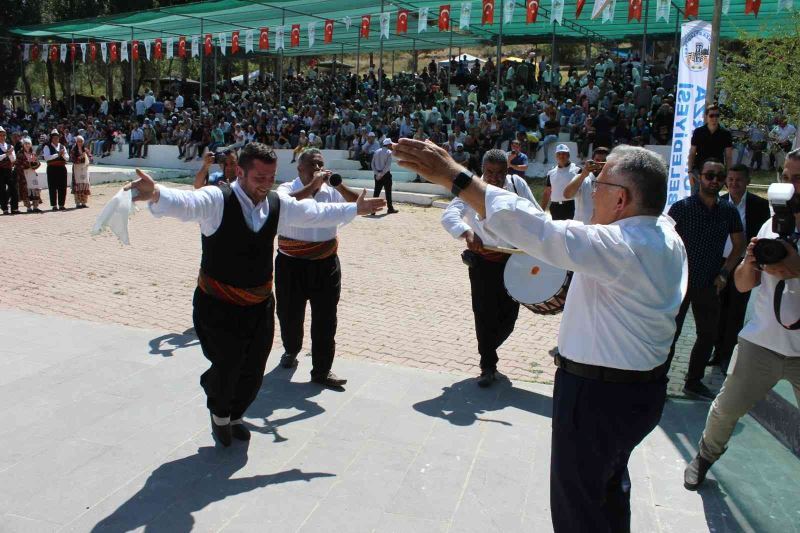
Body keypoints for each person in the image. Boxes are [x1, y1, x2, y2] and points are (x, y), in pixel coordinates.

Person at [393, 139, 686, 533]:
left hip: (598, 398)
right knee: (607, 490)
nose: (592, 190)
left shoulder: (624, 246)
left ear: (621, 199)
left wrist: (453, 175)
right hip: (634, 392)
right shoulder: (665, 234)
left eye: (599, 184)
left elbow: (540, 231)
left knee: (577, 507)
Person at [125, 143, 386, 447]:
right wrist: (156, 193)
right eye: (258, 177)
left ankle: (235, 415)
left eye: (271, 177)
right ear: (240, 172)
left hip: (260, 304)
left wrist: (356, 208)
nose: (265, 184)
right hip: (218, 305)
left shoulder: (276, 203)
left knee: (254, 369)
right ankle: (220, 412)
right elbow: (187, 203)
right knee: (229, 364)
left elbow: (312, 213)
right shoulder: (217, 198)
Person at [684, 149, 800, 491]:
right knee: (724, 410)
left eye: (799, 178)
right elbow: (743, 284)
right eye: (787, 177)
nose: (792, 186)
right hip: (761, 343)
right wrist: (750, 262)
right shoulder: (772, 224)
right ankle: (703, 458)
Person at [441, 149, 541, 387]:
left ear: (508, 170)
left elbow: (536, 212)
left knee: (509, 315)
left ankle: (489, 346)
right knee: (484, 313)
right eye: (490, 172)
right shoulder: (472, 188)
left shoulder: (517, 185)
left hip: (514, 262)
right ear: (483, 170)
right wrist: (466, 231)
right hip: (483, 262)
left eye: (500, 173)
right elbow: (449, 215)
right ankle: (488, 364)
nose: (495, 178)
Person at [275, 149, 362, 386]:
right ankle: (291, 350)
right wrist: (313, 186)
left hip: (325, 264)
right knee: (288, 313)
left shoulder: (331, 191)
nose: (317, 168)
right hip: (290, 263)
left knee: (326, 317)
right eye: (312, 164)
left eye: (320, 164)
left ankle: (322, 370)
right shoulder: (285, 189)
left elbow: (359, 204)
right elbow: (285, 206)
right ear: (299, 168)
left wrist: (339, 186)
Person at [667, 159, 745, 399]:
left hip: (710, 283)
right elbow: (665, 241)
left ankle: (694, 381)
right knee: (670, 333)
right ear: (699, 176)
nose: (714, 181)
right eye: (709, 175)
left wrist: (725, 272)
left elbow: (739, 244)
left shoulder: (728, 210)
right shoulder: (682, 207)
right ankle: (658, 378)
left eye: (719, 177)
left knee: (708, 334)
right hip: (679, 283)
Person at [710, 164, 770, 373]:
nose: (734, 184)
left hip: (744, 264)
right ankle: (716, 352)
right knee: (718, 309)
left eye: (739, 180)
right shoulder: (718, 202)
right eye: (731, 179)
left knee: (736, 310)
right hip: (720, 262)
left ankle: (728, 354)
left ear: (747, 181)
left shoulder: (759, 205)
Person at [688, 105, 733, 191]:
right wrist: (690, 172)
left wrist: (728, 173)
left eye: (717, 115)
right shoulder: (698, 132)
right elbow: (692, 153)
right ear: (706, 116)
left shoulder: (726, 133)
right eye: (711, 115)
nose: (714, 118)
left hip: (717, 171)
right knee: (696, 199)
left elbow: (729, 156)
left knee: (714, 198)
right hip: (699, 170)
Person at [561, 146, 610, 224]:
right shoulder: (581, 178)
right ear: (592, 161)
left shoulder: (613, 182)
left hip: (601, 228)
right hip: (582, 229)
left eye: (603, 161)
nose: (600, 164)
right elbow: (567, 195)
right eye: (597, 160)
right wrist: (583, 175)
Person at [541, 144, 581, 220]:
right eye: (559, 154)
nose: (561, 156)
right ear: (556, 156)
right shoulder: (551, 173)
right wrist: (541, 210)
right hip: (555, 208)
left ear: (568, 155)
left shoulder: (577, 170)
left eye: (564, 153)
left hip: (572, 207)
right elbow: (547, 192)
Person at [42, 129, 69, 211]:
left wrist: (63, 155)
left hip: (61, 168)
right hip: (52, 168)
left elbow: (67, 158)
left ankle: (61, 204)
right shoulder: (47, 146)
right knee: (52, 187)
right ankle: (54, 205)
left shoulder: (62, 146)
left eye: (57, 137)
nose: (56, 139)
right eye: (54, 138)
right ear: (51, 138)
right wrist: (57, 155)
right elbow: (46, 158)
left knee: (62, 187)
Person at [371, 138, 398, 214]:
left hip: (377, 174)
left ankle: (373, 209)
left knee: (376, 192)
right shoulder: (389, 152)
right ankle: (390, 208)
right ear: (389, 144)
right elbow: (387, 166)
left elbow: (372, 164)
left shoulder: (376, 151)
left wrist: (377, 174)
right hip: (385, 175)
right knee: (388, 192)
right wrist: (382, 174)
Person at [17, 137, 43, 213]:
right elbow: (18, 164)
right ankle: (28, 207)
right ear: (23, 145)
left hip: (32, 174)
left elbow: (38, 164)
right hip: (25, 174)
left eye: (28, 144)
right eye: (25, 144)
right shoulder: (20, 153)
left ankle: (35, 206)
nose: (27, 145)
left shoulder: (33, 153)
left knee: (35, 190)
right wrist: (28, 163)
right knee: (26, 191)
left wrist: (34, 162)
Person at [0, 126, 18, 215]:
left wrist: (10, 154)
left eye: (3, 135)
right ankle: (4, 208)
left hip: (8, 170)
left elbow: (13, 159)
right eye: (0, 135)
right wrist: (6, 154)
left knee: (13, 188)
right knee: (2, 189)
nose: (2, 137)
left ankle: (14, 208)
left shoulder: (9, 146)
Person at [70, 135, 92, 208]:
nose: (80, 143)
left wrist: (88, 157)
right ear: (76, 142)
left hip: (84, 169)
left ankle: (84, 202)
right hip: (77, 169)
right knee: (78, 185)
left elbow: (91, 157)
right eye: (79, 141)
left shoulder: (85, 149)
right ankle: (77, 202)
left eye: (81, 141)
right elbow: (72, 159)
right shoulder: (74, 149)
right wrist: (80, 157)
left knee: (84, 184)